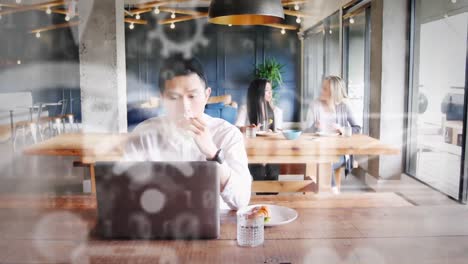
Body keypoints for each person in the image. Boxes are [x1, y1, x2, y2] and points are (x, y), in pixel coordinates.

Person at [124, 54, 252, 210]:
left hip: (218, 225)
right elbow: (127, 191)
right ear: (162, 99)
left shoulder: (227, 134)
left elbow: (241, 200)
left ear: (206, 95)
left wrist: (212, 153)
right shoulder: (143, 134)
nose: (185, 107)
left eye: (192, 96)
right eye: (174, 97)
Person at [305, 75, 361, 193]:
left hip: (340, 153)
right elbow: (305, 132)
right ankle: (327, 194)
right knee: (317, 162)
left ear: (333, 92)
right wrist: (314, 126)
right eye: (322, 87)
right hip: (318, 151)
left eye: (325, 89)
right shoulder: (315, 105)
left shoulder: (344, 107)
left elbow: (357, 128)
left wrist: (341, 129)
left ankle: (333, 192)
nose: (321, 90)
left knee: (325, 163)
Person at [235, 79, 283, 193]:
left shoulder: (276, 111)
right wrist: (247, 128)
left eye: (271, 90)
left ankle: (272, 202)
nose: (270, 93)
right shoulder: (246, 108)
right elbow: (236, 128)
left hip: (272, 152)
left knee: (273, 172)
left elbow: (279, 132)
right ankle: (262, 203)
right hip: (252, 152)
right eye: (267, 90)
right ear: (258, 92)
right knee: (259, 173)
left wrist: (275, 132)